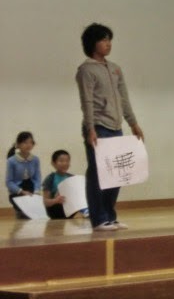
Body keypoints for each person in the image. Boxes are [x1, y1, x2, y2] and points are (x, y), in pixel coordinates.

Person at [76, 23, 144, 231]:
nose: (108, 43)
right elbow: (87, 101)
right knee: (98, 173)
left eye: (109, 39)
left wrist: (133, 123)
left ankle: (109, 215)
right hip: (98, 127)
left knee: (117, 174)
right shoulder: (86, 70)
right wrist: (90, 128)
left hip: (116, 127)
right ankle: (98, 219)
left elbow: (124, 98)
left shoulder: (115, 68)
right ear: (92, 43)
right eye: (104, 39)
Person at [42, 150, 89, 219]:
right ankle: (79, 214)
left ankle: (82, 213)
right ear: (53, 163)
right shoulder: (50, 178)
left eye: (67, 161)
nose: (64, 163)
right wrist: (55, 200)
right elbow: (45, 202)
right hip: (56, 208)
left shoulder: (72, 178)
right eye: (61, 161)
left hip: (71, 207)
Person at [6, 131, 42, 219]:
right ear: (18, 144)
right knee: (23, 214)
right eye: (25, 142)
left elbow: (37, 178)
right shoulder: (11, 161)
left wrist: (36, 191)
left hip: (31, 189)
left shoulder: (35, 159)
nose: (28, 145)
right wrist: (22, 192)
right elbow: (9, 182)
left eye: (30, 142)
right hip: (17, 192)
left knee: (35, 214)